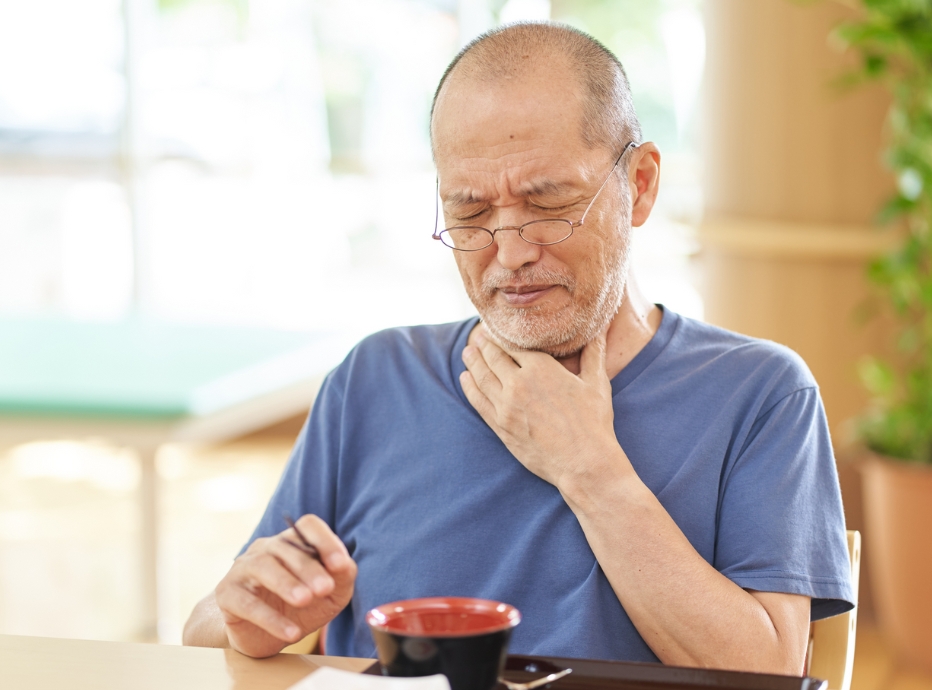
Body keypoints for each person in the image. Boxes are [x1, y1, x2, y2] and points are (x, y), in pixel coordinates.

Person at [183, 22, 854, 673]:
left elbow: (768, 671)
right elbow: (212, 624)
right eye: (470, 213)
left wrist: (590, 469)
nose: (509, 252)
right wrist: (245, 619)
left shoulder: (759, 393)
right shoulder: (375, 378)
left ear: (640, 185)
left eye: (548, 202)